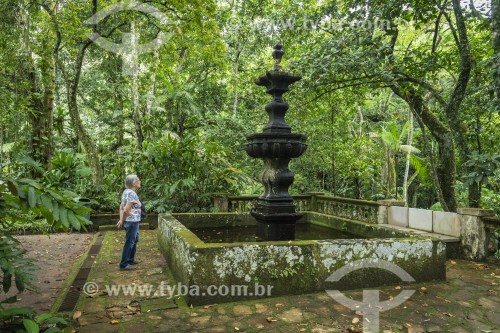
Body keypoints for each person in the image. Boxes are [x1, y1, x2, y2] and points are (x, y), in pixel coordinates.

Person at [117, 174, 142, 270]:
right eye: (138, 180)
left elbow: (121, 206)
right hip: (132, 221)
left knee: (134, 240)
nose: (140, 181)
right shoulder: (131, 193)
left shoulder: (126, 192)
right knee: (130, 242)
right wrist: (122, 220)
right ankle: (123, 264)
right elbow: (126, 209)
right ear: (134, 183)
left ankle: (131, 259)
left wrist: (121, 219)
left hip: (132, 221)